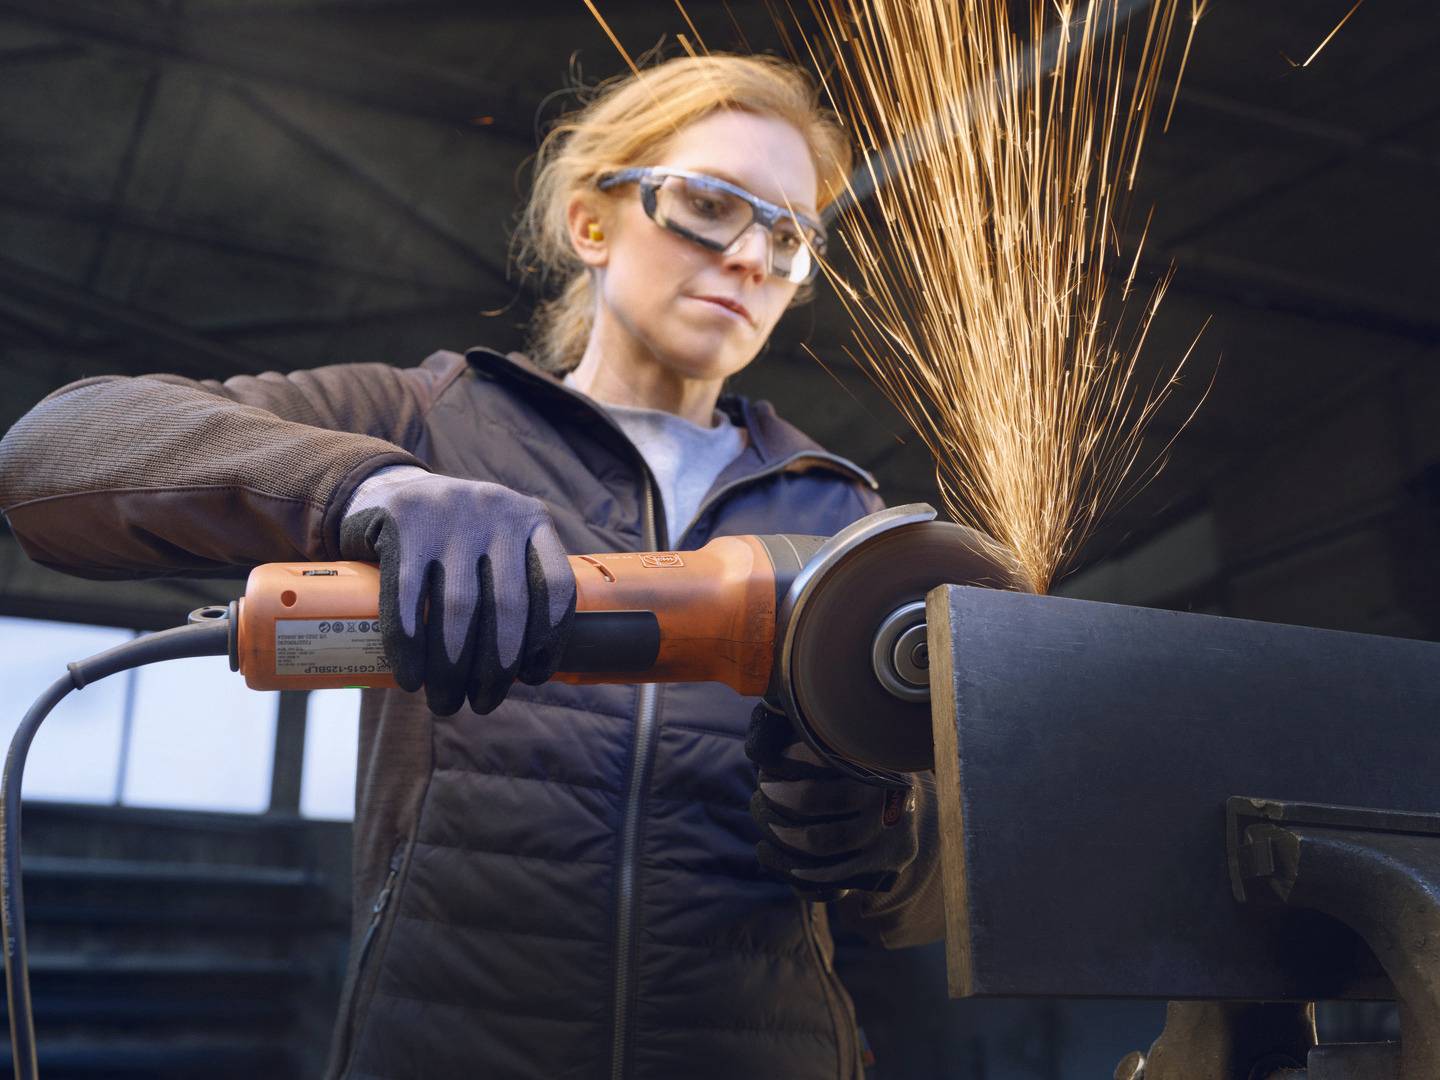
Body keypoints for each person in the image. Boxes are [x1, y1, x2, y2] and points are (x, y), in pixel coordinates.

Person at [0, 54, 942, 1079]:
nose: (752, 256)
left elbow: (939, 884)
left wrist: (891, 836)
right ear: (593, 223)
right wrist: (371, 488)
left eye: (789, 234)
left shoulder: (844, 515)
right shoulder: (432, 422)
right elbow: (52, 454)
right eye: (712, 204)